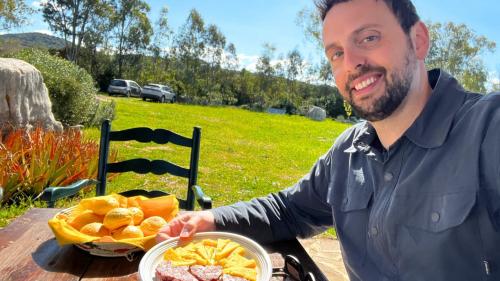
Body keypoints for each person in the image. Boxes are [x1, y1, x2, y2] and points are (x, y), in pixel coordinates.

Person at [157, 0, 500, 280]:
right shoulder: (348, 153)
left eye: (368, 38)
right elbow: (288, 210)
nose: (351, 63)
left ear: (418, 40)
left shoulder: (487, 131)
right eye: (336, 53)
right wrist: (211, 219)